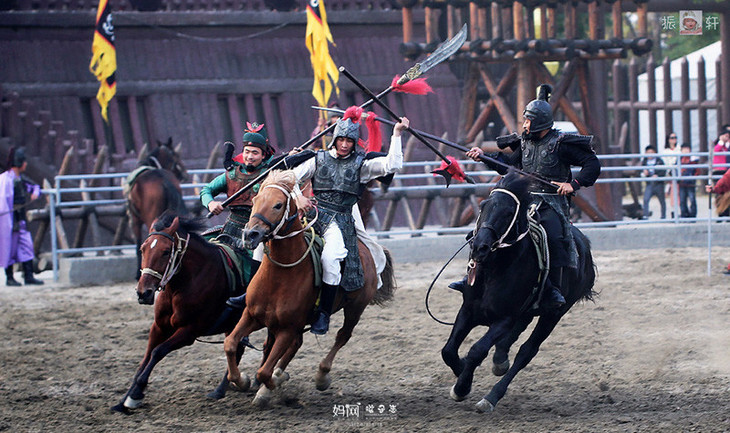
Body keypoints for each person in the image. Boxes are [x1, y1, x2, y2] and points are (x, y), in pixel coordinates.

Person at [452, 84, 601, 310]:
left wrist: (573, 184)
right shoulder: (525, 142)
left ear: (540, 122)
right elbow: (508, 166)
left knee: (553, 235)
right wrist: (483, 156)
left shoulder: (561, 144)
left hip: (551, 202)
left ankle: (552, 288)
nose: (524, 125)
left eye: (528, 121)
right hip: (523, 199)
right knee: (487, 227)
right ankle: (474, 277)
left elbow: (592, 164)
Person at [291, 108, 408, 334]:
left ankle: (323, 314)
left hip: (340, 221)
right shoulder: (317, 159)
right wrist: (298, 197)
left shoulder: (361, 165)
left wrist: (396, 134)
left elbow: (391, 165)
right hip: (312, 216)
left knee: (330, 258)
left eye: (349, 141)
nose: (344, 145)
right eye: (341, 140)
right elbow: (291, 177)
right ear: (335, 139)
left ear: (354, 143)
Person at [200, 121, 277, 309]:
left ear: (263, 155)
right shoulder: (231, 174)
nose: (250, 157)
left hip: (256, 231)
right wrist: (211, 203)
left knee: (254, 265)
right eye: (247, 152)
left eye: (255, 153)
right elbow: (206, 190)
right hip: (230, 227)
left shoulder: (270, 175)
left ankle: (251, 298)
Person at [1, 147, 43, 286]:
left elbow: (34, 187)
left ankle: (28, 276)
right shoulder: (6, 179)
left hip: (20, 220)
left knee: (27, 246)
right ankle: (9, 278)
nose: (26, 164)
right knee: (9, 248)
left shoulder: (20, 179)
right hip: (10, 219)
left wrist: (35, 192)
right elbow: (3, 201)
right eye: (24, 161)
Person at [641, 145, 666, 219]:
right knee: (646, 199)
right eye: (648, 152)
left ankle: (663, 216)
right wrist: (644, 173)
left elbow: (663, 171)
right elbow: (640, 171)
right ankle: (645, 215)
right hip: (649, 183)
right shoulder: (644, 161)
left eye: (651, 152)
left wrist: (657, 175)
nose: (650, 154)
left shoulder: (659, 161)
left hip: (658, 183)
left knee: (662, 200)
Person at [677, 143, 698, 218]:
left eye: (687, 149)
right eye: (684, 149)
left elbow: (697, 170)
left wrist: (694, 177)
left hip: (690, 183)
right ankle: (684, 214)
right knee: (682, 199)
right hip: (682, 183)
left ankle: (693, 214)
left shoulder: (693, 159)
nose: (686, 151)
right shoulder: (679, 159)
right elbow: (675, 169)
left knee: (692, 199)